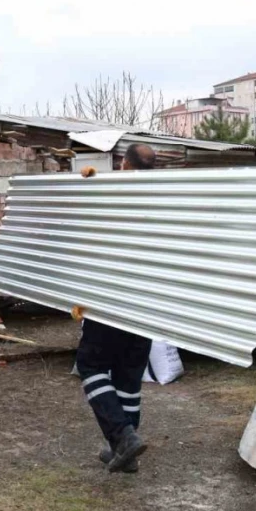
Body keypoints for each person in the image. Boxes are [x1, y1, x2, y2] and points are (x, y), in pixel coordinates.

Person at [74, 143, 157, 473]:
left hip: (112, 299)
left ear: (124, 165)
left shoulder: (115, 195)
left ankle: (123, 437)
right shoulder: (165, 198)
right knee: (128, 378)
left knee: (90, 365)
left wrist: (89, 186)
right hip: (147, 305)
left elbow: (86, 232)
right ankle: (124, 452)